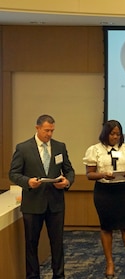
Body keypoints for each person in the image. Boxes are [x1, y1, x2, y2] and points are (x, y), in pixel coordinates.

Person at [9, 114, 75, 279]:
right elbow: (13, 173)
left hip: (56, 202)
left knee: (57, 243)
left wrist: (67, 182)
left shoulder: (60, 146)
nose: (50, 134)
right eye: (46, 130)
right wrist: (27, 181)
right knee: (31, 244)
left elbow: (69, 170)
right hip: (33, 203)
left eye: (52, 131)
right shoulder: (23, 148)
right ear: (37, 128)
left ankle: (59, 275)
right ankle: (32, 276)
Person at [83, 120, 125, 279]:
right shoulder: (95, 150)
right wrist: (103, 174)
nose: (115, 137)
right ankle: (110, 263)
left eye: (118, 134)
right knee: (106, 227)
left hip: (124, 191)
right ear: (105, 134)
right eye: (112, 134)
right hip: (104, 192)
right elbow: (89, 174)